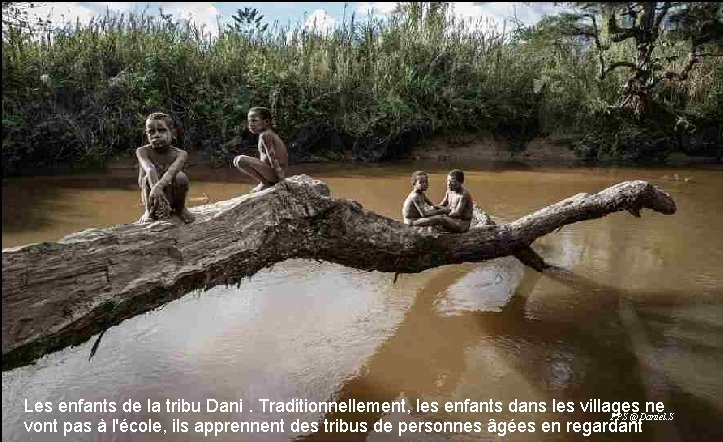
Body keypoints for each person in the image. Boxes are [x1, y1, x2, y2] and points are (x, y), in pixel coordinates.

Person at [136, 112, 194, 224]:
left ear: (172, 133)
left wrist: (159, 188)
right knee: (149, 176)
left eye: (161, 130)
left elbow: (171, 172)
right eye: (151, 132)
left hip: (170, 194)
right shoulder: (142, 151)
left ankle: (180, 209)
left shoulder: (181, 154)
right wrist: (156, 190)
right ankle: (149, 211)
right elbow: (150, 169)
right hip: (151, 195)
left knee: (181, 177)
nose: (156, 135)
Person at [232, 107, 289, 192]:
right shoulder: (266, 134)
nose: (250, 124)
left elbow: (271, 155)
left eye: (254, 120)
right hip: (272, 173)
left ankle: (266, 183)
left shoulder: (266, 135)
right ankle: (265, 182)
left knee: (240, 160)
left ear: (266, 122)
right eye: (249, 121)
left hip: (275, 174)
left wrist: (281, 179)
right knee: (236, 160)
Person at [406, 169, 474, 233]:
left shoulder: (463, 195)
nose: (448, 184)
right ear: (414, 183)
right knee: (437, 218)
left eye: (452, 181)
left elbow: (457, 213)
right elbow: (441, 205)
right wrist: (438, 210)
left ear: (461, 182)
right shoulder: (450, 190)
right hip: (450, 219)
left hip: (461, 224)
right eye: (448, 181)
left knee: (441, 219)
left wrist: (443, 211)